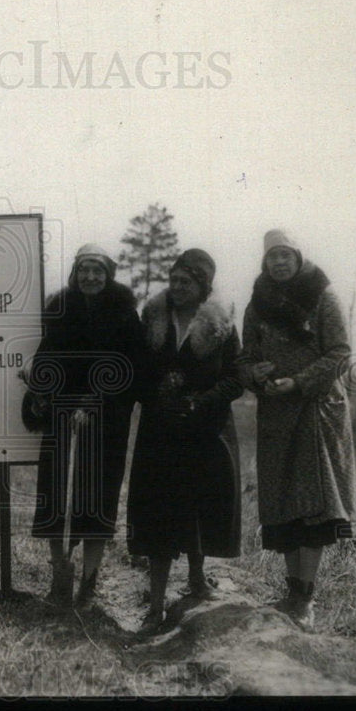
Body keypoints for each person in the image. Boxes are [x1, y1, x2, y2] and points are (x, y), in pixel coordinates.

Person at [236, 229, 355, 631]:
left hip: (315, 410)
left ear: (299, 258)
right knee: (284, 500)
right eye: (272, 257)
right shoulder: (257, 304)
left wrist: (300, 381)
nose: (279, 263)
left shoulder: (322, 295)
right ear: (264, 262)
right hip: (275, 414)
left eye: (285, 256)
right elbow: (244, 357)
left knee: (313, 503)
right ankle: (290, 592)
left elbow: (339, 353)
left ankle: (306, 598)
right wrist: (255, 373)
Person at [127, 249, 243, 634]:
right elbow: (136, 369)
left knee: (200, 506)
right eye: (173, 280)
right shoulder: (152, 319)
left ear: (202, 286)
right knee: (158, 516)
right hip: (160, 430)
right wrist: (156, 396)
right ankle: (155, 608)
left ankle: (196, 579)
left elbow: (235, 377)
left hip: (205, 429)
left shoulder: (221, 324)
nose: (176, 287)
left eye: (185, 282)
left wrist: (200, 402)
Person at [27, 243, 143, 608]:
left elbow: (132, 369)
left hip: (106, 418)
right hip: (62, 417)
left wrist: (95, 401)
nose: (90, 277)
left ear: (109, 276)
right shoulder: (61, 310)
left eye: (98, 271)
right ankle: (60, 577)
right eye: (84, 270)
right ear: (75, 274)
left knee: (96, 498)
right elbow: (48, 356)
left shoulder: (125, 315)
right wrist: (38, 382)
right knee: (54, 492)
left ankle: (88, 585)